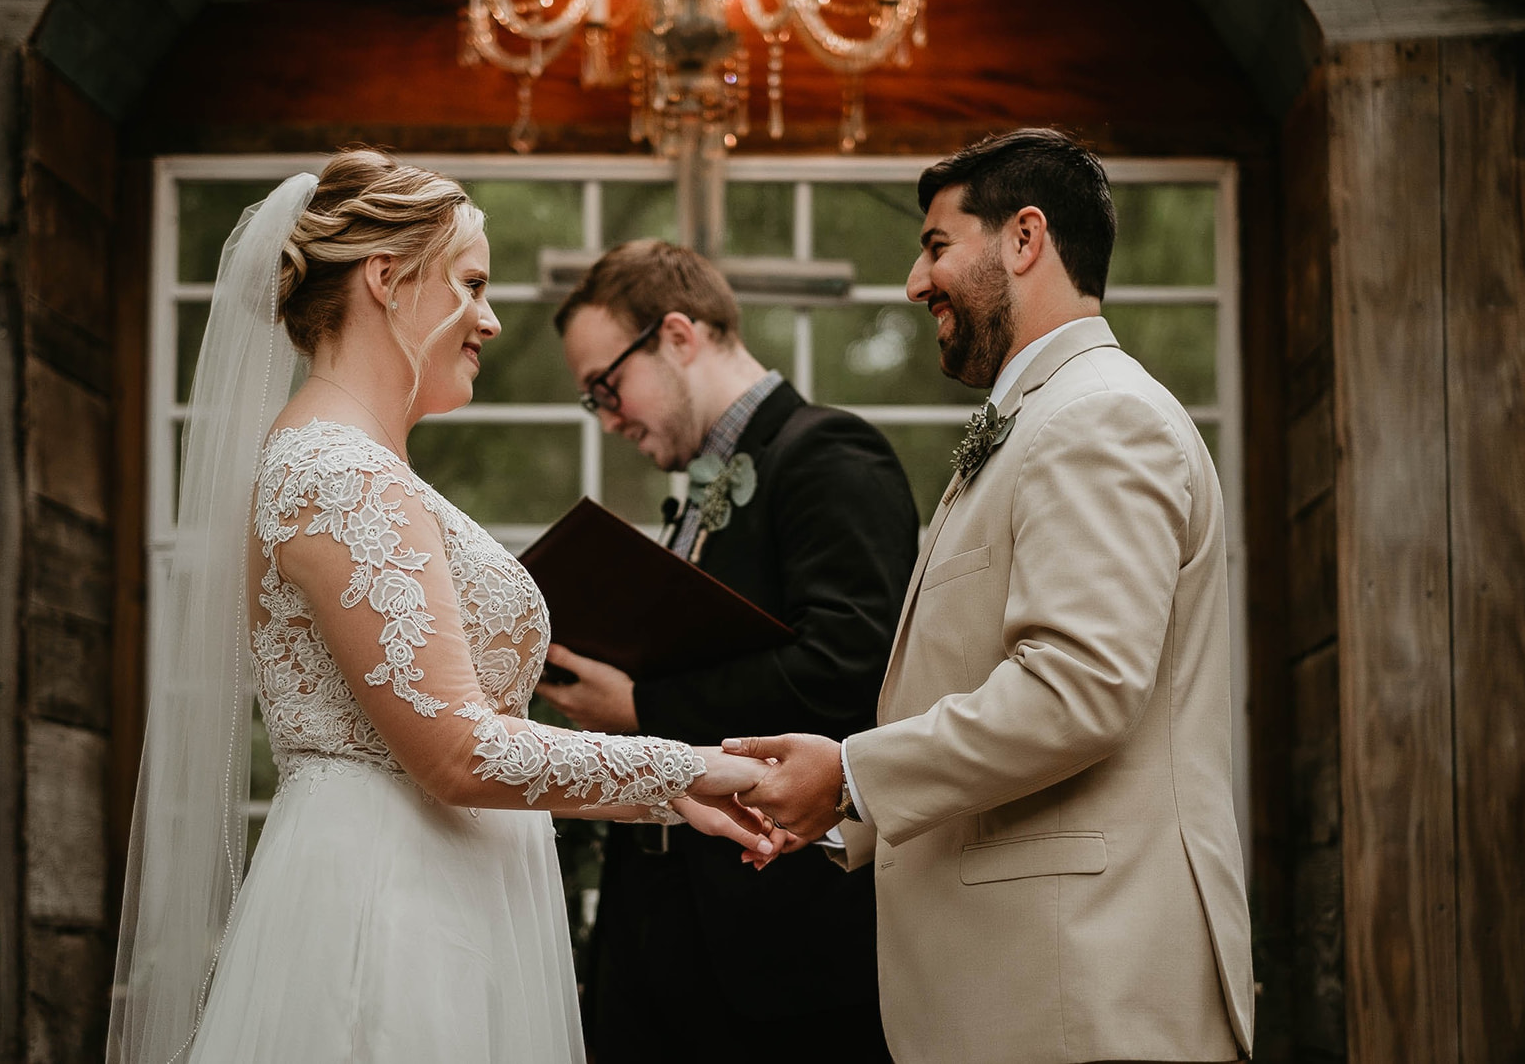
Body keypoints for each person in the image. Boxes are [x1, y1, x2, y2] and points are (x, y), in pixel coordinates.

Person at [106, 150, 780, 1064]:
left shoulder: (350, 463)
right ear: (386, 279)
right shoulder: (339, 473)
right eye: (470, 283)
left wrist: (668, 789)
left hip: (431, 883)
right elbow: (459, 750)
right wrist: (684, 772)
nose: (491, 319)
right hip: (392, 906)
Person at [726, 128, 1256, 1063]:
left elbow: (1077, 689)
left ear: (1024, 238)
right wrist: (838, 804)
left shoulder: (1098, 417)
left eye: (936, 245)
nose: (914, 282)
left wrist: (852, 772)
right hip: (1031, 985)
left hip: (1081, 986)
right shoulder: (1046, 419)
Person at [537, 239, 918, 1061]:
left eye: (607, 384)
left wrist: (640, 707)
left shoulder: (828, 454)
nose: (606, 416)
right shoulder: (706, 485)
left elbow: (847, 664)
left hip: (777, 944)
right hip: (661, 933)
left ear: (678, 335)